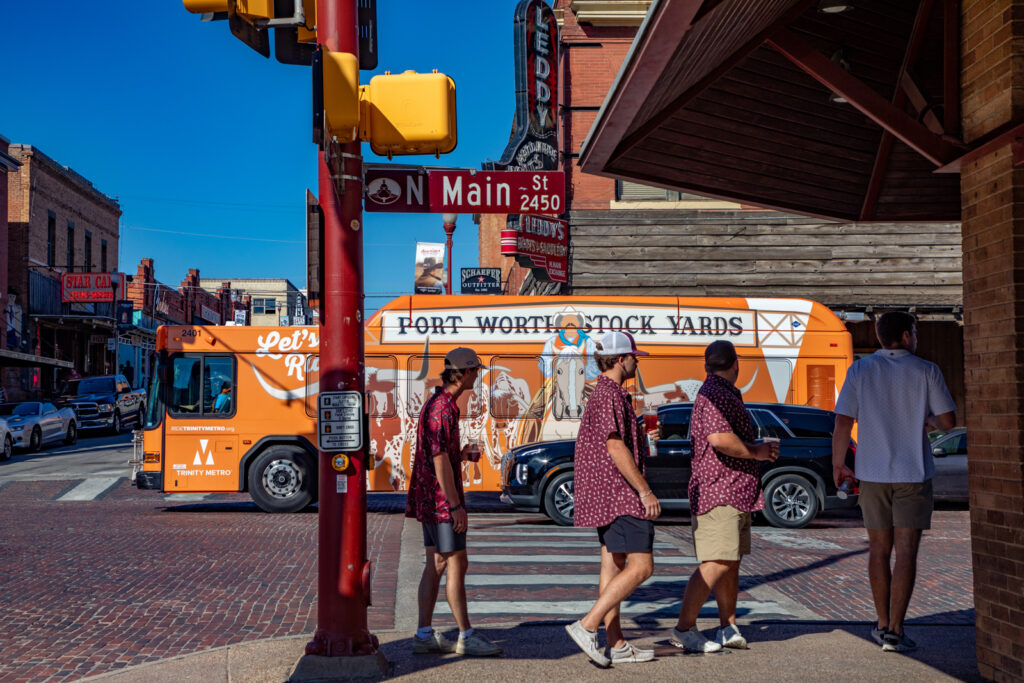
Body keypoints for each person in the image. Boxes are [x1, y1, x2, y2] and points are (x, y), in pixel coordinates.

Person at [832, 311, 955, 653]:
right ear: (904, 336)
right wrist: (927, 420)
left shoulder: (860, 370)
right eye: (914, 332)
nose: (916, 337)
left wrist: (838, 464)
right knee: (906, 552)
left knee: (878, 550)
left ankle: (882, 623)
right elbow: (948, 421)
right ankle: (896, 632)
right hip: (913, 473)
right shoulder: (926, 370)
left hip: (872, 473)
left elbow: (842, 423)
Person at [672, 340, 778, 653]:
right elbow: (719, 438)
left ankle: (727, 627)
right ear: (736, 364)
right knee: (717, 561)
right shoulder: (716, 394)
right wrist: (756, 451)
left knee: (729, 562)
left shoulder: (718, 391)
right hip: (721, 490)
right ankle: (683, 628)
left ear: (707, 365)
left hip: (732, 490)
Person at [565, 331, 660, 668]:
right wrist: (644, 491)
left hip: (606, 493)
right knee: (642, 566)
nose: (637, 362)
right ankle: (587, 625)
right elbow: (614, 445)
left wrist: (644, 437)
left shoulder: (605, 392)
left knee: (613, 563)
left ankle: (616, 644)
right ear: (621, 359)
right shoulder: (610, 394)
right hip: (619, 493)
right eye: (634, 357)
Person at [405, 347, 502, 657]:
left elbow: (442, 455)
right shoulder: (442, 408)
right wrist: (456, 505)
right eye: (476, 372)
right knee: (458, 562)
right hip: (441, 502)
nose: (477, 377)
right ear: (466, 372)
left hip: (429, 499)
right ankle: (466, 635)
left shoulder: (439, 403)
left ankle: (423, 634)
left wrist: (460, 455)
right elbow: (438, 459)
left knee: (436, 563)